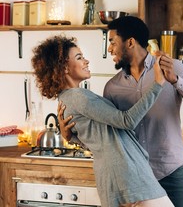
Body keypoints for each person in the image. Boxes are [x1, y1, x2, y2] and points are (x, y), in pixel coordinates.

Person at [59, 16, 183, 207]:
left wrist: (176, 80)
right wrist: (72, 137)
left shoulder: (171, 67)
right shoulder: (112, 88)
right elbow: (109, 140)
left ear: (131, 42)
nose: (109, 49)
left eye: (112, 42)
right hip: (133, 179)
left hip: (170, 172)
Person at [31, 35, 175, 207]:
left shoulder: (68, 99)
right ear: (64, 68)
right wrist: (158, 83)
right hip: (130, 177)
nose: (86, 61)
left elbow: (98, 138)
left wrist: (71, 137)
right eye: (79, 58)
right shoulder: (79, 97)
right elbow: (127, 120)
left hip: (115, 180)